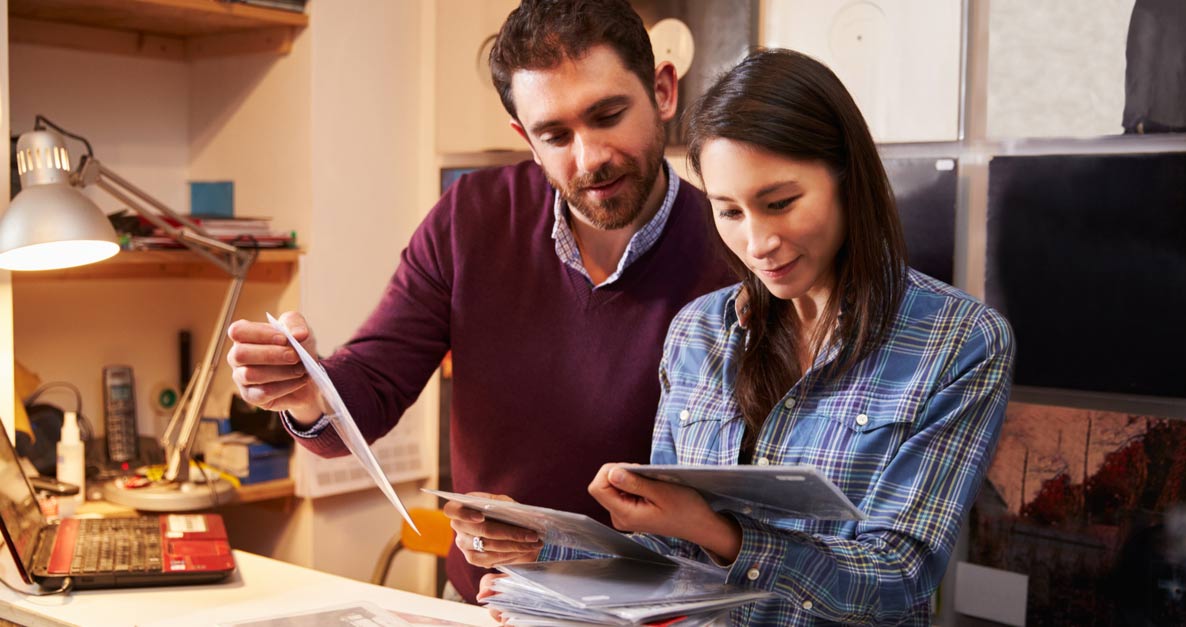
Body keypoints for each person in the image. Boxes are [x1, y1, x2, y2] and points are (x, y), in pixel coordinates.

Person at [224, 0, 732, 603]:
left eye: (608, 114)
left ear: (663, 91)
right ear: (524, 138)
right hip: (490, 602)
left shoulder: (735, 252)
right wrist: (310, 393)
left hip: (660, 610)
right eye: (555, 135)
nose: (589, 158)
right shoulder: (470, 219)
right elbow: (367, 393)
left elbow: (740, 517)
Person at [497, 49, 1016, 625]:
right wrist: (544, 543)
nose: (758, 242)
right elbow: (678, 561)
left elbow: (895, 579)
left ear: (847, 178)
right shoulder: (699, 332)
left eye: (780, 203)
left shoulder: (959, 340)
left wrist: (716, 530)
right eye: (730, 212)